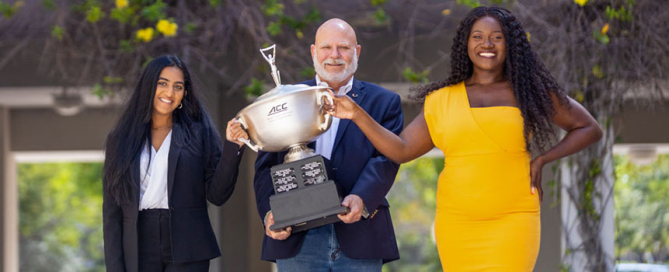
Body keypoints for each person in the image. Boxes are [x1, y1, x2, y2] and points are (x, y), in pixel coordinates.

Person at [327, 6, 603, 271]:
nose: (488, 44)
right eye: (478, 37)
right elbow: (401, 150)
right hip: (457, 222)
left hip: (514, 219)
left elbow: (588, 128)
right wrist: (356, 114)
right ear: (466, 43)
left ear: (511, 45)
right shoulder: (442, 100)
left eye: (497, 38)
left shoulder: (530, 92)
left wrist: (543, 159)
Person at [253, 18, 403, 271]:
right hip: (297, 235)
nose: (334, 55)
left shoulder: (384, 102)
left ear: (356, 52)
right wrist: (269, 213)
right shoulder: (287, 99)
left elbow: (386, 159)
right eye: (326, 47)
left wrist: (362, 198)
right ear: (314, 52)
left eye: (343, 48)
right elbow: (265, 165)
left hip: (360, 231)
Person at [102, 55, 248, 272]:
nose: (169, 93)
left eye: (177, 87)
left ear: (184, 93)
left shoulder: (199, 134)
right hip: (138, 244)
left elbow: (218, 195)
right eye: (163, 84)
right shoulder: (120, 139)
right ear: (149, 85)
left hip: (188, 243)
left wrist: (233, 147)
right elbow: (112, 213)